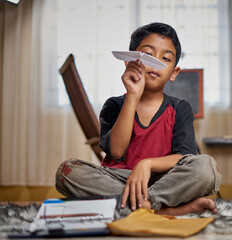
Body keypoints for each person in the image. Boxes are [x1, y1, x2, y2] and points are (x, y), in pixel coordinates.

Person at [55, 22, 221, 217]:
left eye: (166, 58)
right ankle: (162, 210)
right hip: (119, 180)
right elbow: (116, 152)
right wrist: (132, 96)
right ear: (129, 61)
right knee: (67, 171)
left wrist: (147, 164)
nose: (156, 62)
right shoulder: (114, 105)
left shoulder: (180, 108)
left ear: (174, 72)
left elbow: (184, 158)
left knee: (206, 167)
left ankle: (143, 205)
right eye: (148, 55)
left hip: (165, 182)